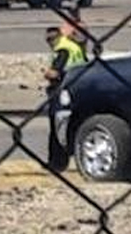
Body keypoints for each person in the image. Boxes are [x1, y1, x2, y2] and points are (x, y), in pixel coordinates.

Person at [44, 26, 86, 171]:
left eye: (50, 39)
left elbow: (55, 73)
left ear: (57, 37)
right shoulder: (74, 47)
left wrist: (47, 73)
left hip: (62, 92)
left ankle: (57, 163)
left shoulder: (62, 49)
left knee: (56, 127)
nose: (49, 43)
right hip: (78, 90)